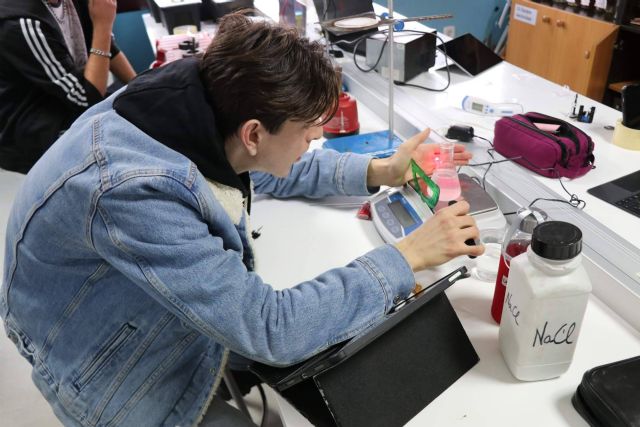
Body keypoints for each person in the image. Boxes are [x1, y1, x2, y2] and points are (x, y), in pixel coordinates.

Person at [0, 12, 483, 427]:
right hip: (107, 372)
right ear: (254, 132)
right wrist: (407, 256)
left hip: (139, 312)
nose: (316, 139)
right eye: (309, 132)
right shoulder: (136, 192)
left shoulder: (197, 102)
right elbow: (269, 328)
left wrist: (378, 169)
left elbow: (268, 167)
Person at [0, 0, 136, 174]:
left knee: (135, 109)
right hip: (36, 128)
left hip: (74, 99)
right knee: (125, 143)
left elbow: (108, 47)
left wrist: (142, 86)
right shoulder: (22, 22)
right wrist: (104, 25)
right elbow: (86, 100)